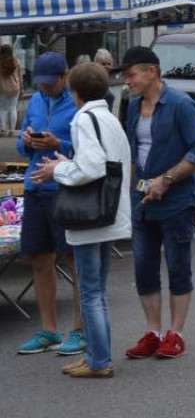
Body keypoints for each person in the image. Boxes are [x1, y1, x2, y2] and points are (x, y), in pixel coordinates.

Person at [30, 63, 131, 378]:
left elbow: (91, 167)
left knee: (90, 291)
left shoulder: (83, 119)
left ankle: (99, 360)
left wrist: (56, 170)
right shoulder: (108, 118)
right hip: (109, 212)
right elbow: (104, 162)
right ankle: (97, 355)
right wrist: (67, 162)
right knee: (96, 289)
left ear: (74, 91)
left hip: (90, 217)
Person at [120, 46, 195, 360]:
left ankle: (176, 333)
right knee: (144, 268)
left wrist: (167, 179)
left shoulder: (181, 105)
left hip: (176, 200)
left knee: (178, 266)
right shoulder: (132, 107)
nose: (127, 81)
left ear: (151, 72)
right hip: (142, 200)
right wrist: (128, 194)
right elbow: (134, 154)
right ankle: (152, 331)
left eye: (130, 74)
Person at [14, 52, 85, 356]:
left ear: (64, 76)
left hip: (64, 188)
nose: (45, 89)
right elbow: (19, 144)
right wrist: (27, 141)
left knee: (73, 260)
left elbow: (89, 148)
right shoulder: (36, 101)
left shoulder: (78, 103)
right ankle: (49, 330)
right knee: (39, 259)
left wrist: (60, 145)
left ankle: (81, 331)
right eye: (40, 84)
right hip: (35, 186)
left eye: (50, 83)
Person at [0, 43, 22, 137]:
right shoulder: (16, 61)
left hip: (3, 89)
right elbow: (20, 76)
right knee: (13, 108)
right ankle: (12, 130)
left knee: (3, 109)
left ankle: (3, 129)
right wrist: (21, 88)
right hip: (15, 88)